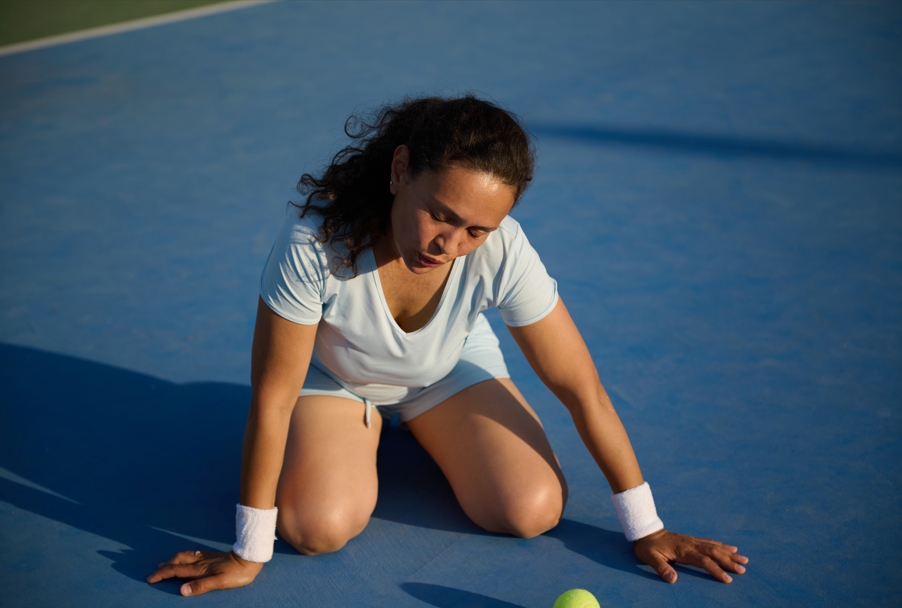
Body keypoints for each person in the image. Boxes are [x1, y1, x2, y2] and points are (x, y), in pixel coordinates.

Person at [147, 95, 749, 597]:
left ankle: (417, 424)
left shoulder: (504, 251)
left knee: (530, 511)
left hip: (447, 371)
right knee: (315, 527)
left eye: (476, 230)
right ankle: (367, 428)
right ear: (400, 169)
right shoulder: (315, 246)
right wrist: (250, 552)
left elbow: (579, 387)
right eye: (440, 213)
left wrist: (645, 528)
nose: (448, 244)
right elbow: (273, 399)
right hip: (338, 380)